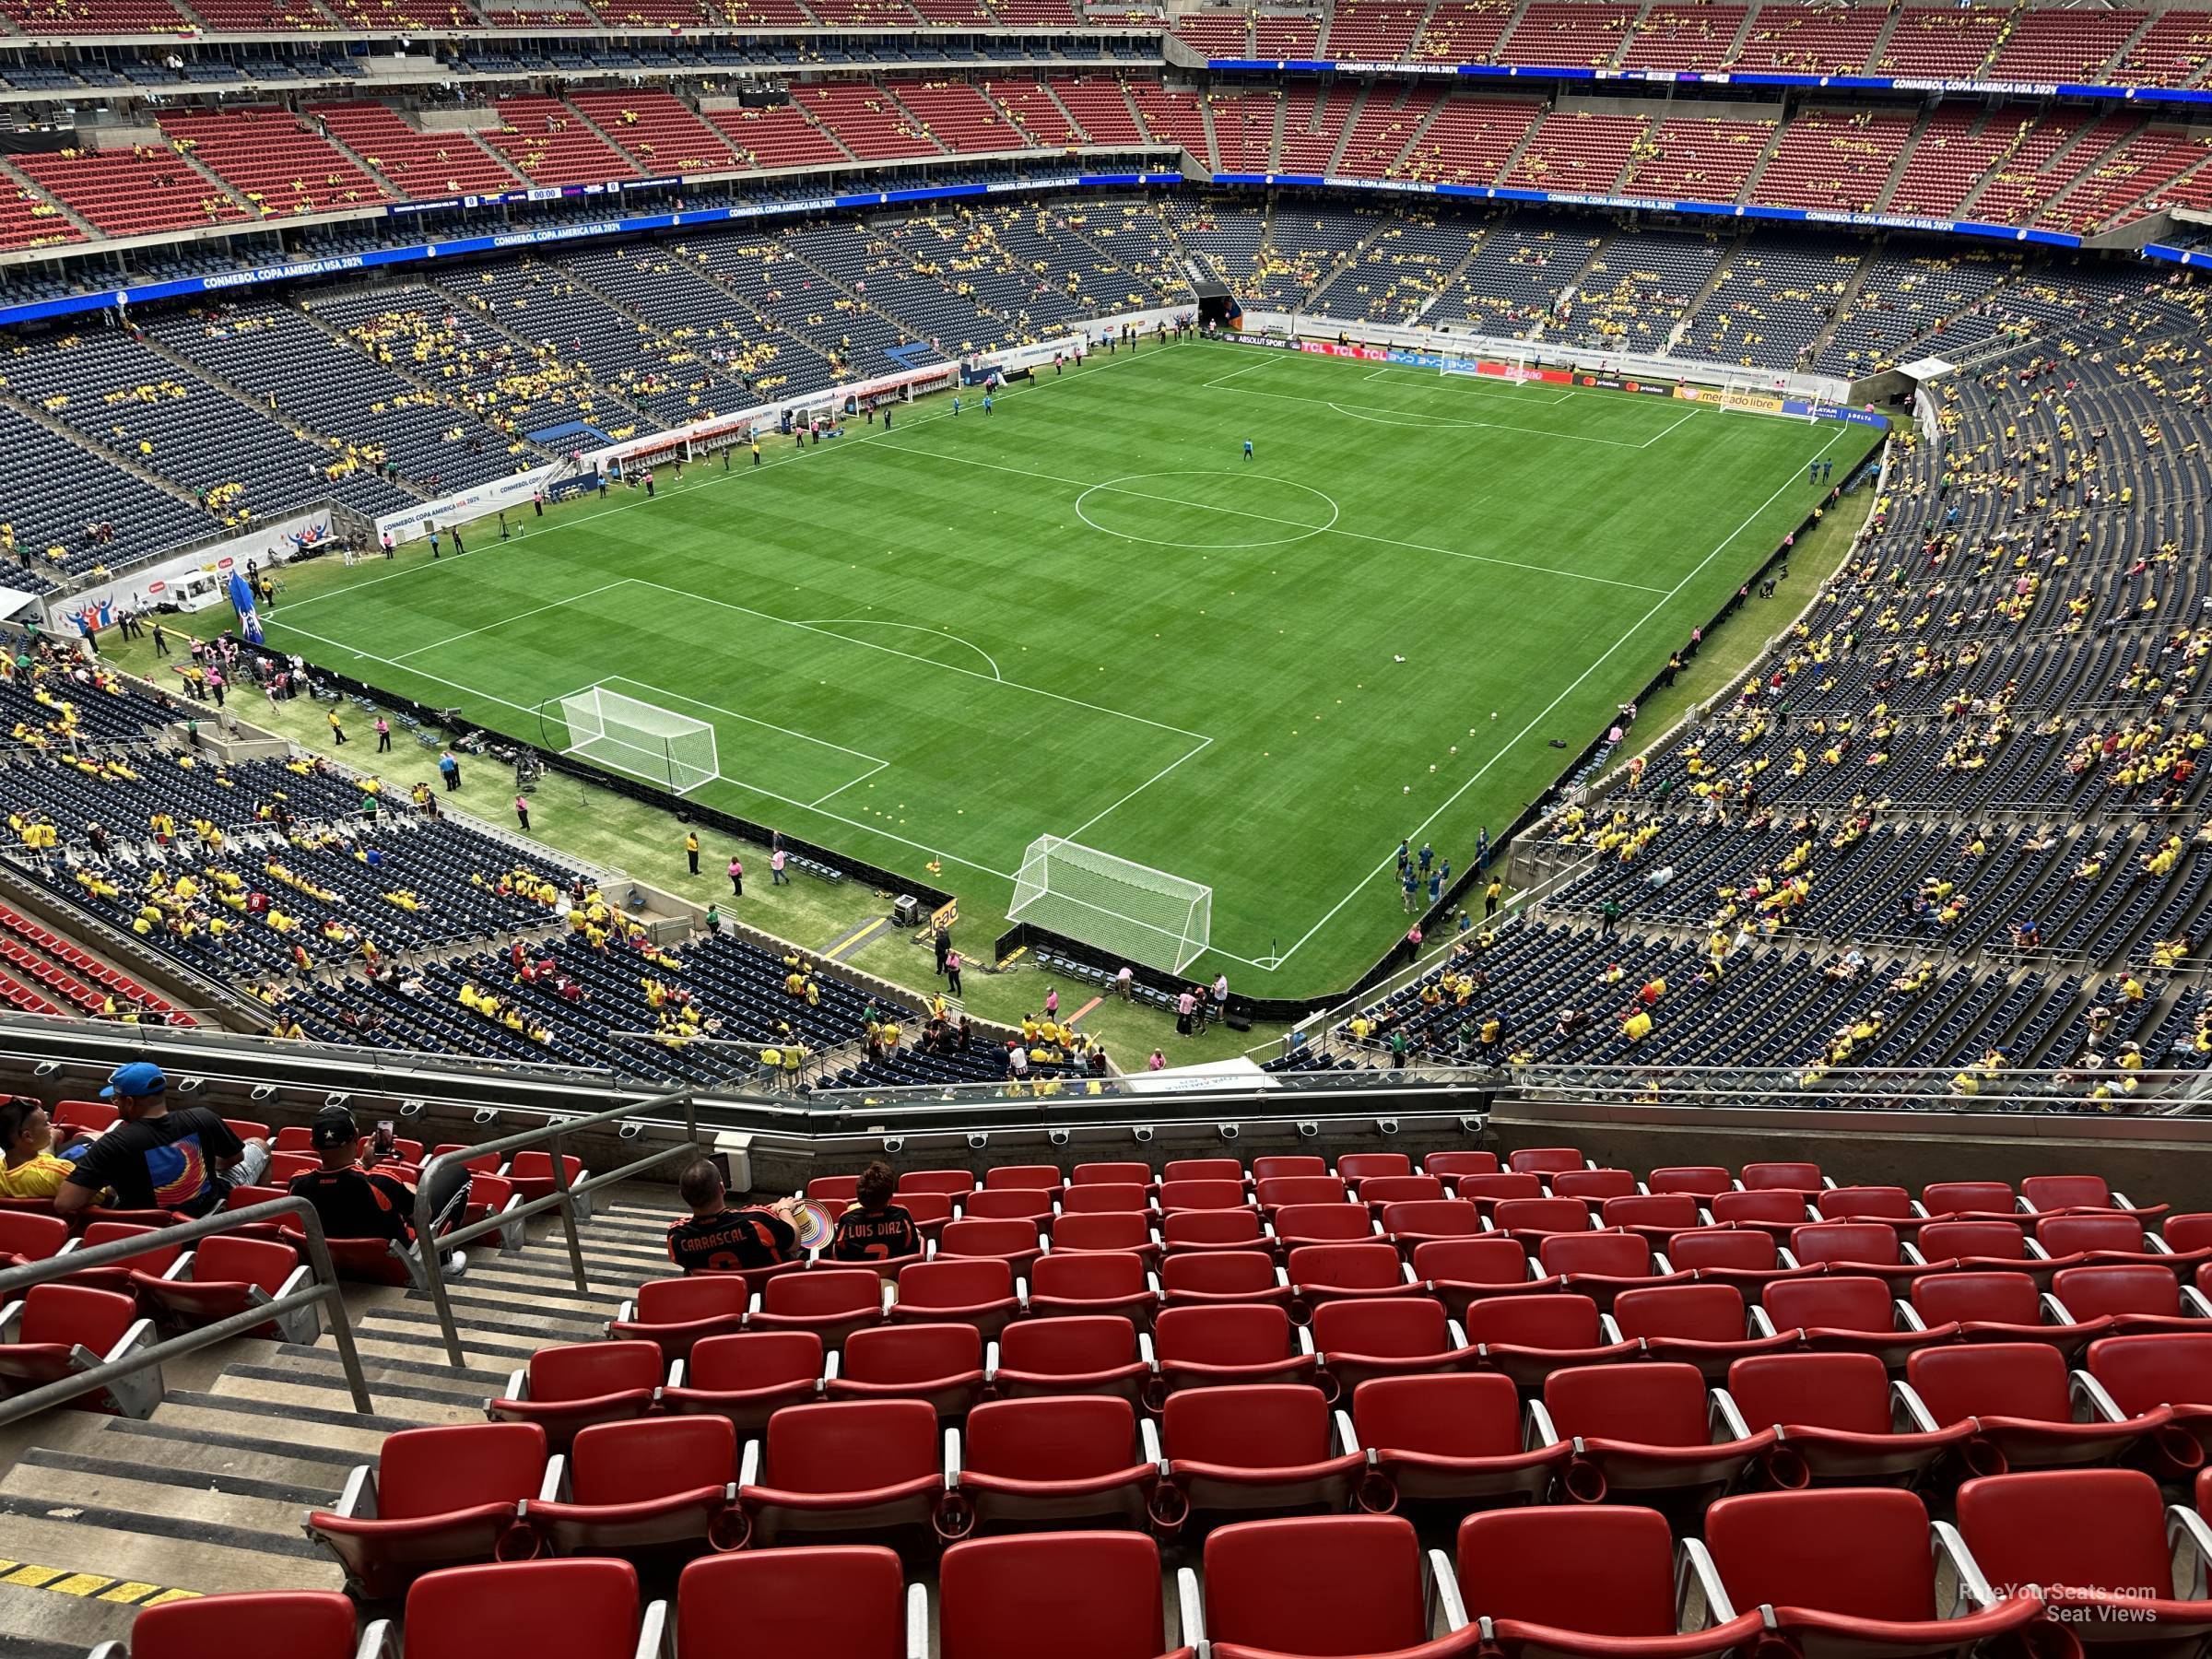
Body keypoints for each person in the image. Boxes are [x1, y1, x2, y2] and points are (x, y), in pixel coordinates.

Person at [55, 1061, 268, 1218]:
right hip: (208, 1213)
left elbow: (65, 1203)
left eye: (116, 1099)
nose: (116, 1104)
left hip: (148, 1226)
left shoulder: (112, 1145)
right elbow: (235, 1157)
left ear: (129, 1102)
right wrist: (202, 1166)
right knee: (260, 1145)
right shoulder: (203, 1117)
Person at [287, 1105, 471, 1270]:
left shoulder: (298, 1183)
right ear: (356, 1137)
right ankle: (443, 1261)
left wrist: (364, 1164)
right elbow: (425, 1215)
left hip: (338, 1261)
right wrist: (413, 1189)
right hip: (398, 1260)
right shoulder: (381, 1180)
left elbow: (338, 1184)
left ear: (312, 1143)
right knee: (457, 1173)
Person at [665, 1159, 800, 1273]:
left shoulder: (676, 1238)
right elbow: (794, 1242)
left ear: (683, 1196)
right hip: (769, 1287)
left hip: (720, 1296)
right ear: (722, 1188)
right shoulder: (758, 1220)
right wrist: (784, 1209)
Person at [0, 1096, 94, 1200]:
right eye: (45, 1124)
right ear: (28, 1136)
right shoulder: (58, 1171)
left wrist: (52, 1138)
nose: (50, 1127)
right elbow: (106, 1195)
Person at [829, 1160, 919, 1263]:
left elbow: (840, 1256)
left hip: (859, 1276)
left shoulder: (847, 1220)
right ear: (890, 1197)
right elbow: (914, 1250)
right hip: (897, 1276)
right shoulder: (902, 1215)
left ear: (859, 1199)